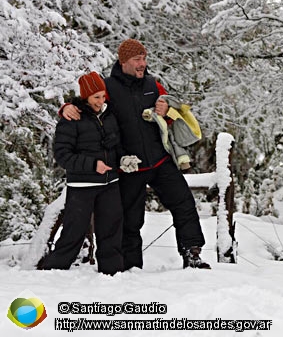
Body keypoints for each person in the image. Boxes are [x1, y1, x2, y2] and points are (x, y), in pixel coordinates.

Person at [60, 39, 209, 270]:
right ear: (123, 62)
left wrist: (167, 110)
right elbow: (90, 107)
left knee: (184, 204)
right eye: (137, 59)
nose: (142, 64)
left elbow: (173, 112)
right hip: (129, 167)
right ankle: (131, 267)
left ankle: (192, 254)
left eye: (144, 58)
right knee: (130, 220)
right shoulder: (108, 87)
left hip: (160, 161)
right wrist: (66, 108)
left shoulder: (153, 84)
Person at [42, 72, 123, 275]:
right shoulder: (71, 118)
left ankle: (112, 274)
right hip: (82, 186)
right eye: (96, 97)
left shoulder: (109, 114)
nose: (101, 101)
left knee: (111, 229)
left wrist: (123, 159)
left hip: (109, 183)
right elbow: (62, 155)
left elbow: (116, 145)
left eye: (103, 96)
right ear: (86, 96)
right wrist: (93, 165)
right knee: (73, 231)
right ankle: (53, 272)